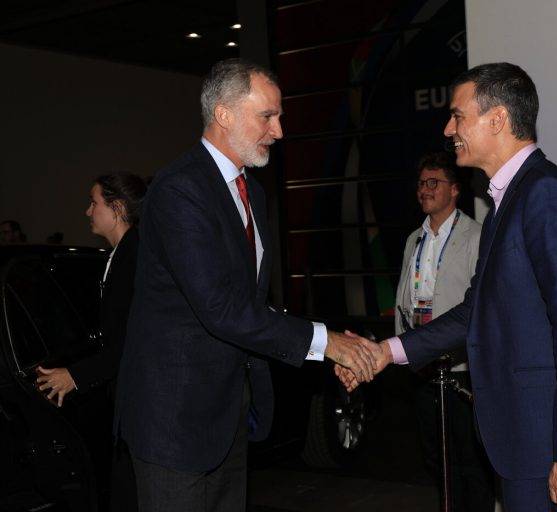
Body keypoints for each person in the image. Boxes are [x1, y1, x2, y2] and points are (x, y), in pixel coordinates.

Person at [337, 62, 557, 511]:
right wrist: (386, 352)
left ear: (498, 120)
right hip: (521, 438)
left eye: (458, 116)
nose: (448, 127)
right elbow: (476, 312)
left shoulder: (547, 195)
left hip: (544, 439)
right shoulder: (504, 205)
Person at [113, 58, 380, 512]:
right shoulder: (179, 190)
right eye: (267, 116)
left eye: (279, 117)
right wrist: (325, 343)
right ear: (223, 114)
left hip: (229, 416)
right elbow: (220, 308)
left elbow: (252, 303)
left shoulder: (251, 192)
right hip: (175, 424)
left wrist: (328, 343)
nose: (278, 131)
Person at [36, 172, 147, 512]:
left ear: (116, 208)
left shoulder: (135, 257)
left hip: (141, 404)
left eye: (93, 202)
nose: (87, 211)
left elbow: (131, 341)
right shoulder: (120, 256)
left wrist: (75, 375)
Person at [394, 152, 492, 511]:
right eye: (421, 183)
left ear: (454, 190)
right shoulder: (413, 241)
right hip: (423, 369)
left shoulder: (476, 237)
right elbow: (405, 298)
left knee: (470, 464)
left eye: (433, 182)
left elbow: (479, 309)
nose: (424, 190)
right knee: (437, 459)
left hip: (461, 373)